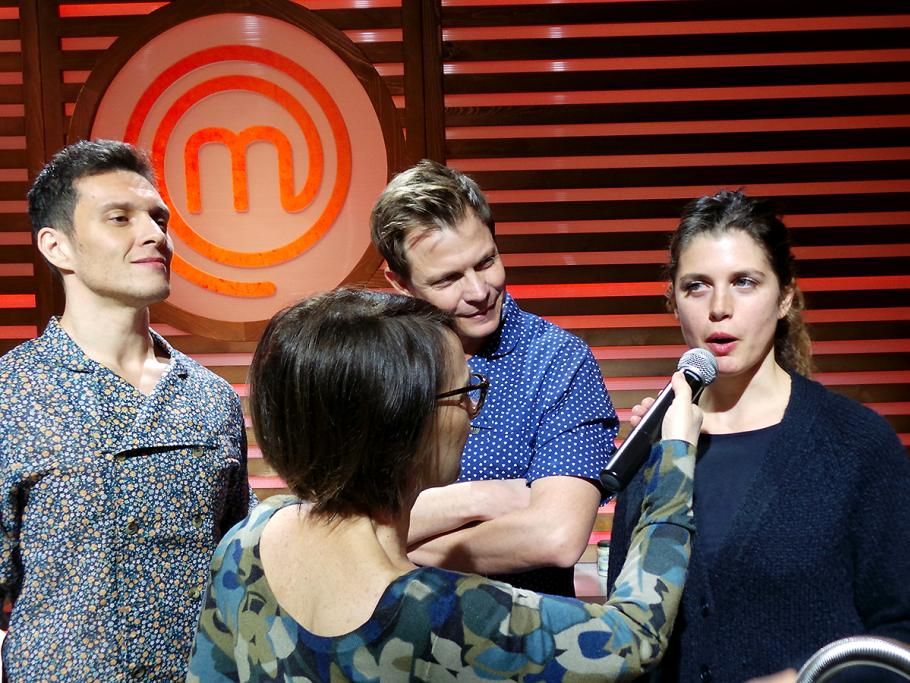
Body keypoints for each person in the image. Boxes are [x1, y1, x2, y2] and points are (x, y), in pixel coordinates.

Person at [186, 286, 703, 681]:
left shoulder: (247, 541)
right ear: (406, 423)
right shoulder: (454, 615)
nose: (473, 413)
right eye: (463, 392)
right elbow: (634, 637)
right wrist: (674, 456)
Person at [607, 189, 910, 682]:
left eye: (744, 282)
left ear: (785, 296)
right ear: (673, 300)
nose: (719, 308)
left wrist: (801, 679)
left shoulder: (856, 444)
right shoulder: (655, 447)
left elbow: (899, 634)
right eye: (696, 286)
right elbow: (628, 640)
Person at [0, 139, 255, 681]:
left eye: (158, 219)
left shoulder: (210, 395)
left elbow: (238, 560)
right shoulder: (13, 392)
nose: (154, 235)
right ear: (56, 247)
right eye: (120, 218)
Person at [369, 160, 619, 597]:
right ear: (400, 282)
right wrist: (479, 499)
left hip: (515, 633)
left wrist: (394, 549)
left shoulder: (558, 360)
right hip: (385, 631)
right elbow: (327, 519)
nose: (479, 291)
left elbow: (556, 536)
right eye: (448, 279)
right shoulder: (369, 362)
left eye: (486, 261)